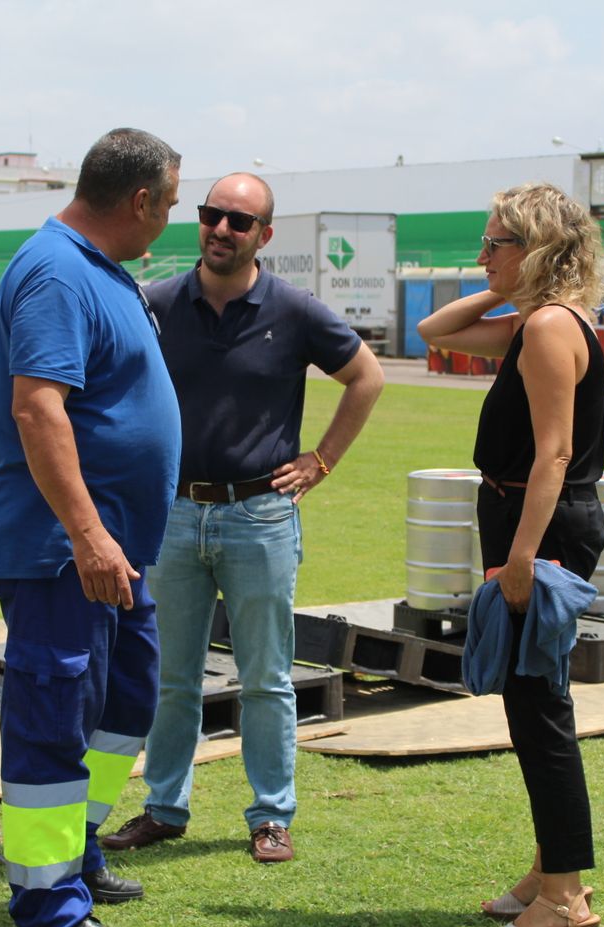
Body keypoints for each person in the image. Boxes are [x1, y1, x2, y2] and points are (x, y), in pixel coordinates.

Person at [101, 173, 384, 864]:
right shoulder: (157, 303)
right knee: (173, 675)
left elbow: (366, 377)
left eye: (239, 220)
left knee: (266, 676)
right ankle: (163, 807)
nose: (221, 230)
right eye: (210, 216)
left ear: (264, 234)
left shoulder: (294, 311)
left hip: (260, 515)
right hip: (173, 514)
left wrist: (322, 459)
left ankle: (270, 816)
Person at [0, 127, 182, 927]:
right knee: (54, 718)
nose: (171, 219)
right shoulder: (57, 271)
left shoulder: (104, 273)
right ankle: (49, 908)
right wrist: (89, 533)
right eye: (170, 204)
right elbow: (38, 409)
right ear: (138, 200)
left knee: (126, 700)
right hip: (67, 552)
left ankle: (78, 852)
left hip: (112, 554)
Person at [417, 182, 604, 927]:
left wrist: (523, 558)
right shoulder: (540, 323)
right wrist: (506, 284)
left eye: (495, 242)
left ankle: (563, 897)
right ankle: (545, 870)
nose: (481, 255)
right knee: (530, 705)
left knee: (538, 711)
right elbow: (437, 330)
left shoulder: (551, 328)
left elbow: (555, 453)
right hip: (526, 522)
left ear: (535, 249)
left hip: (543, 529)